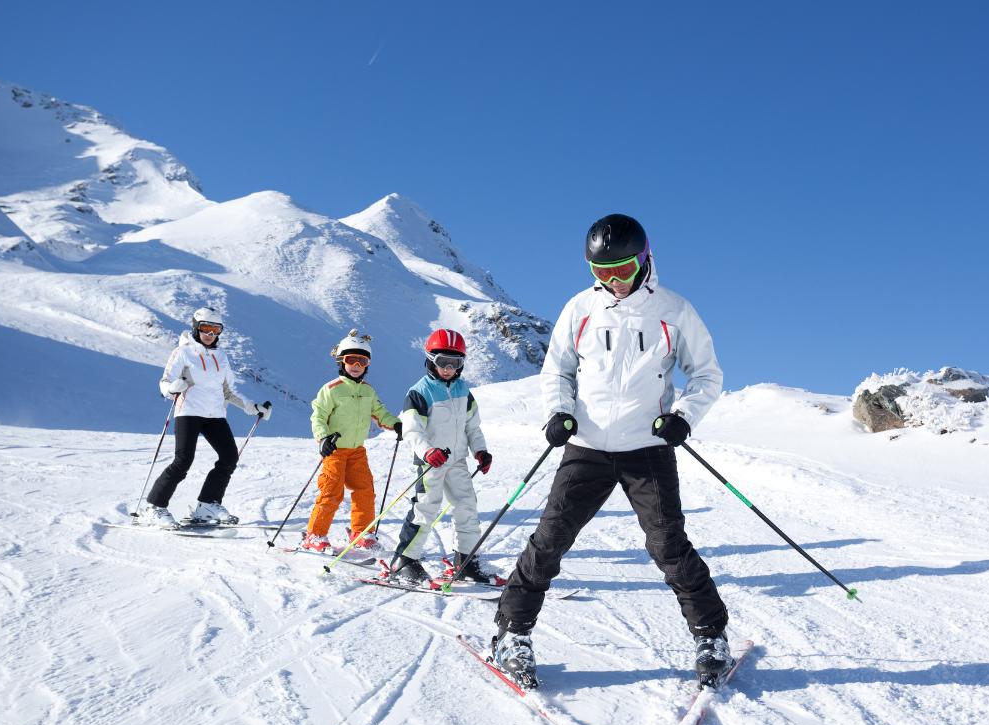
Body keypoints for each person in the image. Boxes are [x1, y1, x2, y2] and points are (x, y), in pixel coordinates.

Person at [492, 213, 733, 688]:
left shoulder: (674, 310)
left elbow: (706, 374)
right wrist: (559, 412)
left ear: (644, 260)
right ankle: (511, 632)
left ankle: (711, 635)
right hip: (587, 446)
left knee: (669, 546)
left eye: (622, 270)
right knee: (550, 540)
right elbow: (556, 370)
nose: (613, 282)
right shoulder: (580, 309)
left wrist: (682, 417)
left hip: (647, 448)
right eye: (601, 273)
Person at [140, 307, 272, 528]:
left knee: (229, 457)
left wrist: (253, 407)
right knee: (183, 461)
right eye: (205, 328)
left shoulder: (221, 357)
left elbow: (229, 391)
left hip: (215, 414)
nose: (210, 334)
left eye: (216, 329)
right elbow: (165, 382)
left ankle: (208, 503)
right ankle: (154, 508)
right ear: (196, 327)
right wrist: (173, 388)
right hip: (189, 412)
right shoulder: (182, 352)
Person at [387, 328, 495, 585]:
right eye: (442, 362)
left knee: (467, 506)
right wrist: (427, 452)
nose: (448, 368)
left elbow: (472, 426)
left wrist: (480, 450)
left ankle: (465, 561)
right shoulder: (419, 392)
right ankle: (404, 560)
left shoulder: (463, 390)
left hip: (457, 460)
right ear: (429, 359)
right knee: (426, 507)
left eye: (454, 363)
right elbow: (413, 429)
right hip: (431, 462)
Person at [303, 329, 402, 553]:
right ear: (341, 361)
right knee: (331, 492)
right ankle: (315, 534)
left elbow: (379, 412)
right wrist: (323, 438)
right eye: (351, 359)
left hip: (357, 451)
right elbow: (318, 416)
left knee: (365, 490)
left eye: (362, 360)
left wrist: (395, 423)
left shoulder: (368, 391)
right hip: (335, 451)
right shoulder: (331, 390)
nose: (356, 365)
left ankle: (361, 532)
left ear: (367, 364)